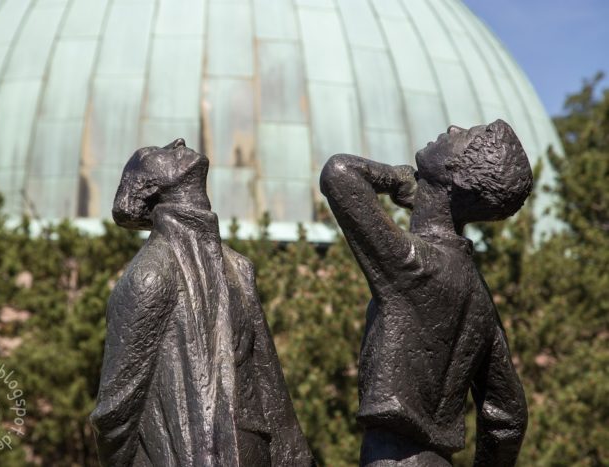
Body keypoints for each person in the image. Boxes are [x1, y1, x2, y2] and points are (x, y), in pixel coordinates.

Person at [320, 120, 531, 466]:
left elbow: (339, 174)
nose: (453, 127)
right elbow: (508, 418)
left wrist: (396, 179)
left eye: (466, 135)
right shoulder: (477, 295)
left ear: (459, 177)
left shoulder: (419, 265)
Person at [91, 139, 314, 467]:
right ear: (149, 187)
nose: (177, 142)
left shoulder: (238, 267)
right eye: (154, 152)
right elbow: (114, 412)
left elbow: (269, 384)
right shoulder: (150, 275)